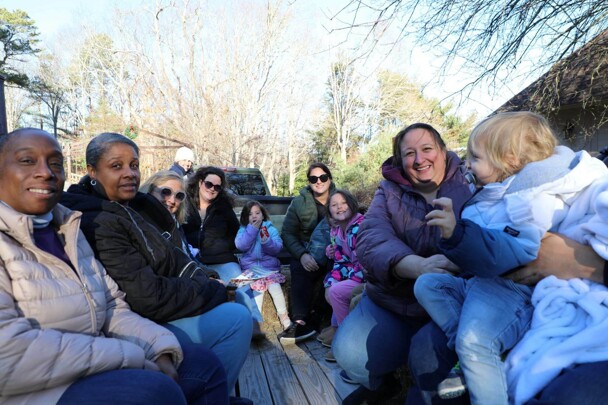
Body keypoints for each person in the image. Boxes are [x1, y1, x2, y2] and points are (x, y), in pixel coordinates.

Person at [0, 128, 229, 405]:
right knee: (156, 391)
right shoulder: (96, 221)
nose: (46, 172)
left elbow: (112, 306)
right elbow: (8, 354)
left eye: (55, 163)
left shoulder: (68, 230)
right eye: (27, 160)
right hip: (38, 390)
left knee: (203, 364)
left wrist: (159, 347)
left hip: (96, 358)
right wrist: (128, 356)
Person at [413, 111, 608, 404]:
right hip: (483, 282)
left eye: (476, 157)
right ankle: (470, 356)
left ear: (510, 160)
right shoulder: (496, 191)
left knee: (472, 341)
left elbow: (518, 252)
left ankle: (476, 352)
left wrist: (458, 235)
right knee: (428, 286)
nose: (468, 163)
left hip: (509, 289)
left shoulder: (528, 199)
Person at [60, 133, 252, 393]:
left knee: (237, 298)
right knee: (237, 317)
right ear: (92, 171)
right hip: (139, 320)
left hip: (164, 300)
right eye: (117, 166)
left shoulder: (135, 208)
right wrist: (212, 290)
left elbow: (176, 258)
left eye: (134, 165)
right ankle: (215, 392)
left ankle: (217, 393)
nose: (129, 173)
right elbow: (146, 296)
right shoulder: (100, 219)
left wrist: (206, 278)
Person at [331, 123, 472, 405]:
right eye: (409, 153)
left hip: (452, 305)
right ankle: (383, 385)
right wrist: (415, 266)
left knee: (429, 356)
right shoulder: (389, 190)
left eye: (427, 149)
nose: (419, 160)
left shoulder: (469, 182)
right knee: (348, 353)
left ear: (443, 151)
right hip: (396, 300)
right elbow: (371, 238)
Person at [183, 166, 265, 340]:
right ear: (199, 183)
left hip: (222, 259)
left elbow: (237, 234)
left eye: (217, 187)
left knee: (241, 281)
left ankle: (255, 322)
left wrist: (222, 246)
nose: (212, 189)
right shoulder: (185, 204)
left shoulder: (223, 207)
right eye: (208, 184)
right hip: (194, 261)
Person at [279, 162, 336, 344]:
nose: (318, 182)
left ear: (329, 178)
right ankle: (299, 320)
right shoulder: (298, 202)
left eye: (323, 177)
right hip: (307, 249)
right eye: (313, 178)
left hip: (334, 249)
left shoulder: (340, 199)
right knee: (299, 268)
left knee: (335, 270)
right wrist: (302, 254)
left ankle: (318, 316)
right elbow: (288, 233)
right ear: (309, 182)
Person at [320, 189, 366, 363]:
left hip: (367, 274)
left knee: (337, 292)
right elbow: (340, 261)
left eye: (343, 203)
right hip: (353, 272)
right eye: (334, 205)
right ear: (329, 211)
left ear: (352, 204)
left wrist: (344, 282)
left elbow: (364, 262)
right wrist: (330, 281)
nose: (339, 207)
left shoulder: (359, 226)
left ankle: (346, 341)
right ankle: (338, 331)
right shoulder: (339, 230)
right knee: (332, 287)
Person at [234, 200, 291, 330]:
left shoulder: (270, 229)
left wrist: (267, 242)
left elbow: (277, 248)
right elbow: (240, 245)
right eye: (250, 214)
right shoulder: (243, 229)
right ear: (245, 217)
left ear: (263, 215)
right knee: (257, 292)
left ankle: (284, 316)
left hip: (269, 268)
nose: (254, 216)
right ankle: (256, 321)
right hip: (251, 269)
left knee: (275, 287)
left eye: (257, 213)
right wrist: (252, 230)